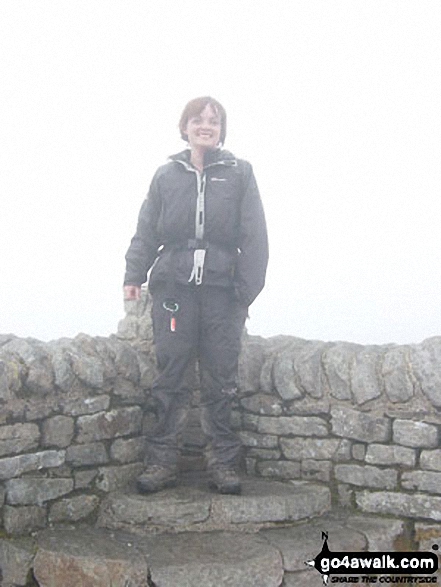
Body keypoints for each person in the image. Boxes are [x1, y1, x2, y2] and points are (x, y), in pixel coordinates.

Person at [123, 96, 268, 494]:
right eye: (198, 119)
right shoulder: (166, 175)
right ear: (184, 126)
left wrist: (244, 293)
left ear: (222, 130)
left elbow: (255, 237)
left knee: (220, 379)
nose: (206, 125)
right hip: (173, 289)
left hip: (223, 292)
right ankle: (160, 463)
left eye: (214, 120)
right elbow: (147, 229)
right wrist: (134, 274)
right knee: (170, 376)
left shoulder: (240, 173)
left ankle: (222, 464)